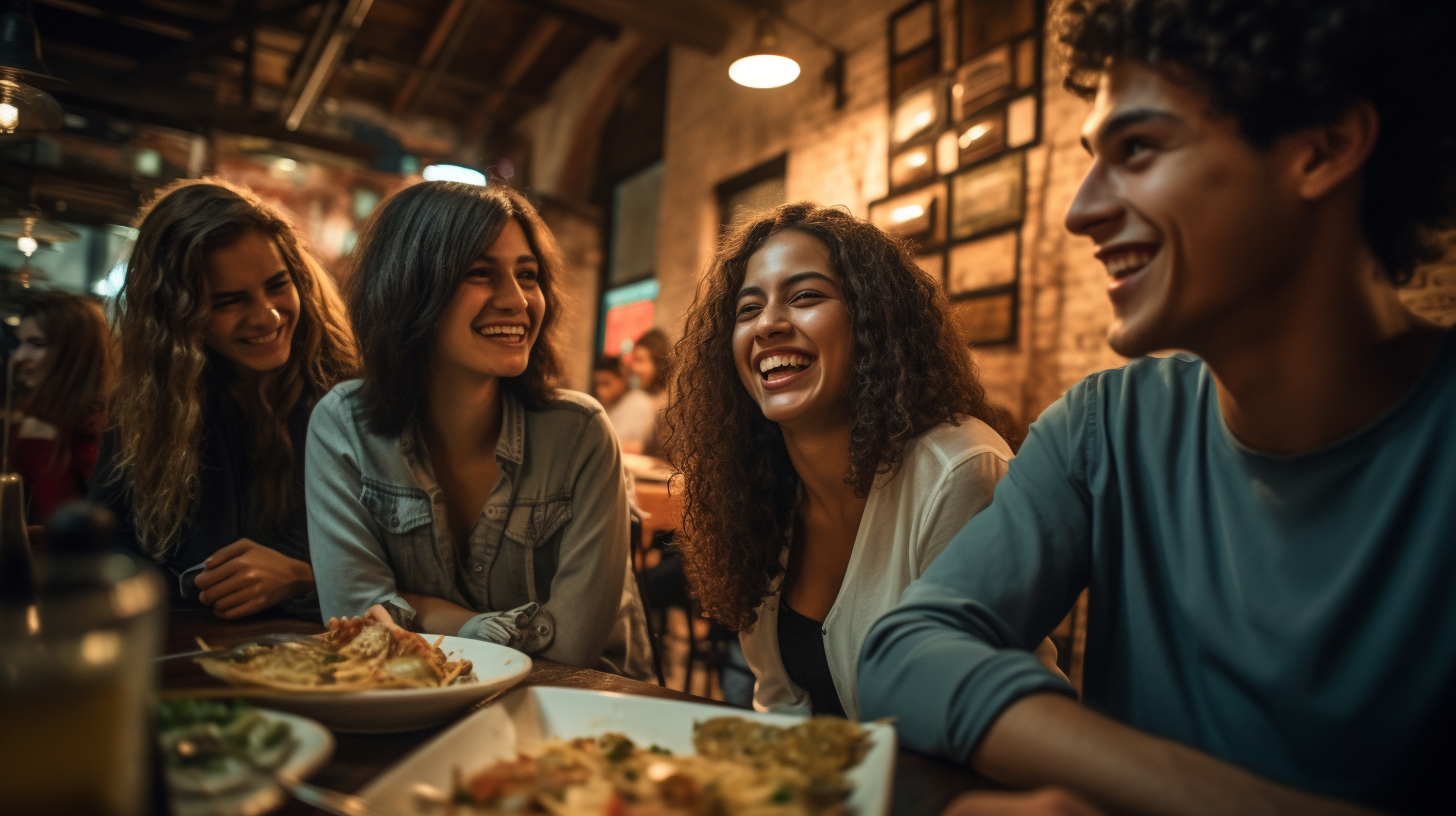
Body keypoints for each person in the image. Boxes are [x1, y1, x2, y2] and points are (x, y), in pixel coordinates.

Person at [858, 1, 1456, 814]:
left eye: (1137, 149)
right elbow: (903, 652)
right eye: (1092, 155)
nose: (1081, 211)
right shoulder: (1104, 429)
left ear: (1324, 146)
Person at [665, 202, 1050, 718]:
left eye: (805, 297)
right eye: (748, 309)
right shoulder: (760, 493)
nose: (768, 325)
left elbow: (979, 717)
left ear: (871, 321)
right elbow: (780, 701)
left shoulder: (957, 472)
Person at [307, 181, 651, 679]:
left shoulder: (581, 434)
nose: (517, 300)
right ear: (410, 287)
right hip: (414, 711)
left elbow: (571, 649)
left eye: (528, 275)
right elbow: (357, 626)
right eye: (480, 273)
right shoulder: (344, 426)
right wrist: (491, 627)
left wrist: (414, 609)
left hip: (575, 715)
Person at [92, 179, 357, 618]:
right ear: (176, 316)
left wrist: (302, 577)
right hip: (186, 653)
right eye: (230, 301)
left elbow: (404, 566)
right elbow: (104, 541)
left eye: (277, 284)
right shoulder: (149, 403)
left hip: (326, 658)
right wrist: (175, 583)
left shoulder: (346, 396)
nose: (267, 315)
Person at [6, 291, 113, 527]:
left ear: (77, 352)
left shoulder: (101, 429)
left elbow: (56, 529)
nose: (19, 357)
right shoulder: (35, 417)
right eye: (19, 343)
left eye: (36, 343)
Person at [618, 327, 671, 456]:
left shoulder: (669, 401)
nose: (634, 368)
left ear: (658, 363)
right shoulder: (644, 397)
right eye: (633, 360)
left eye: (640, 360)